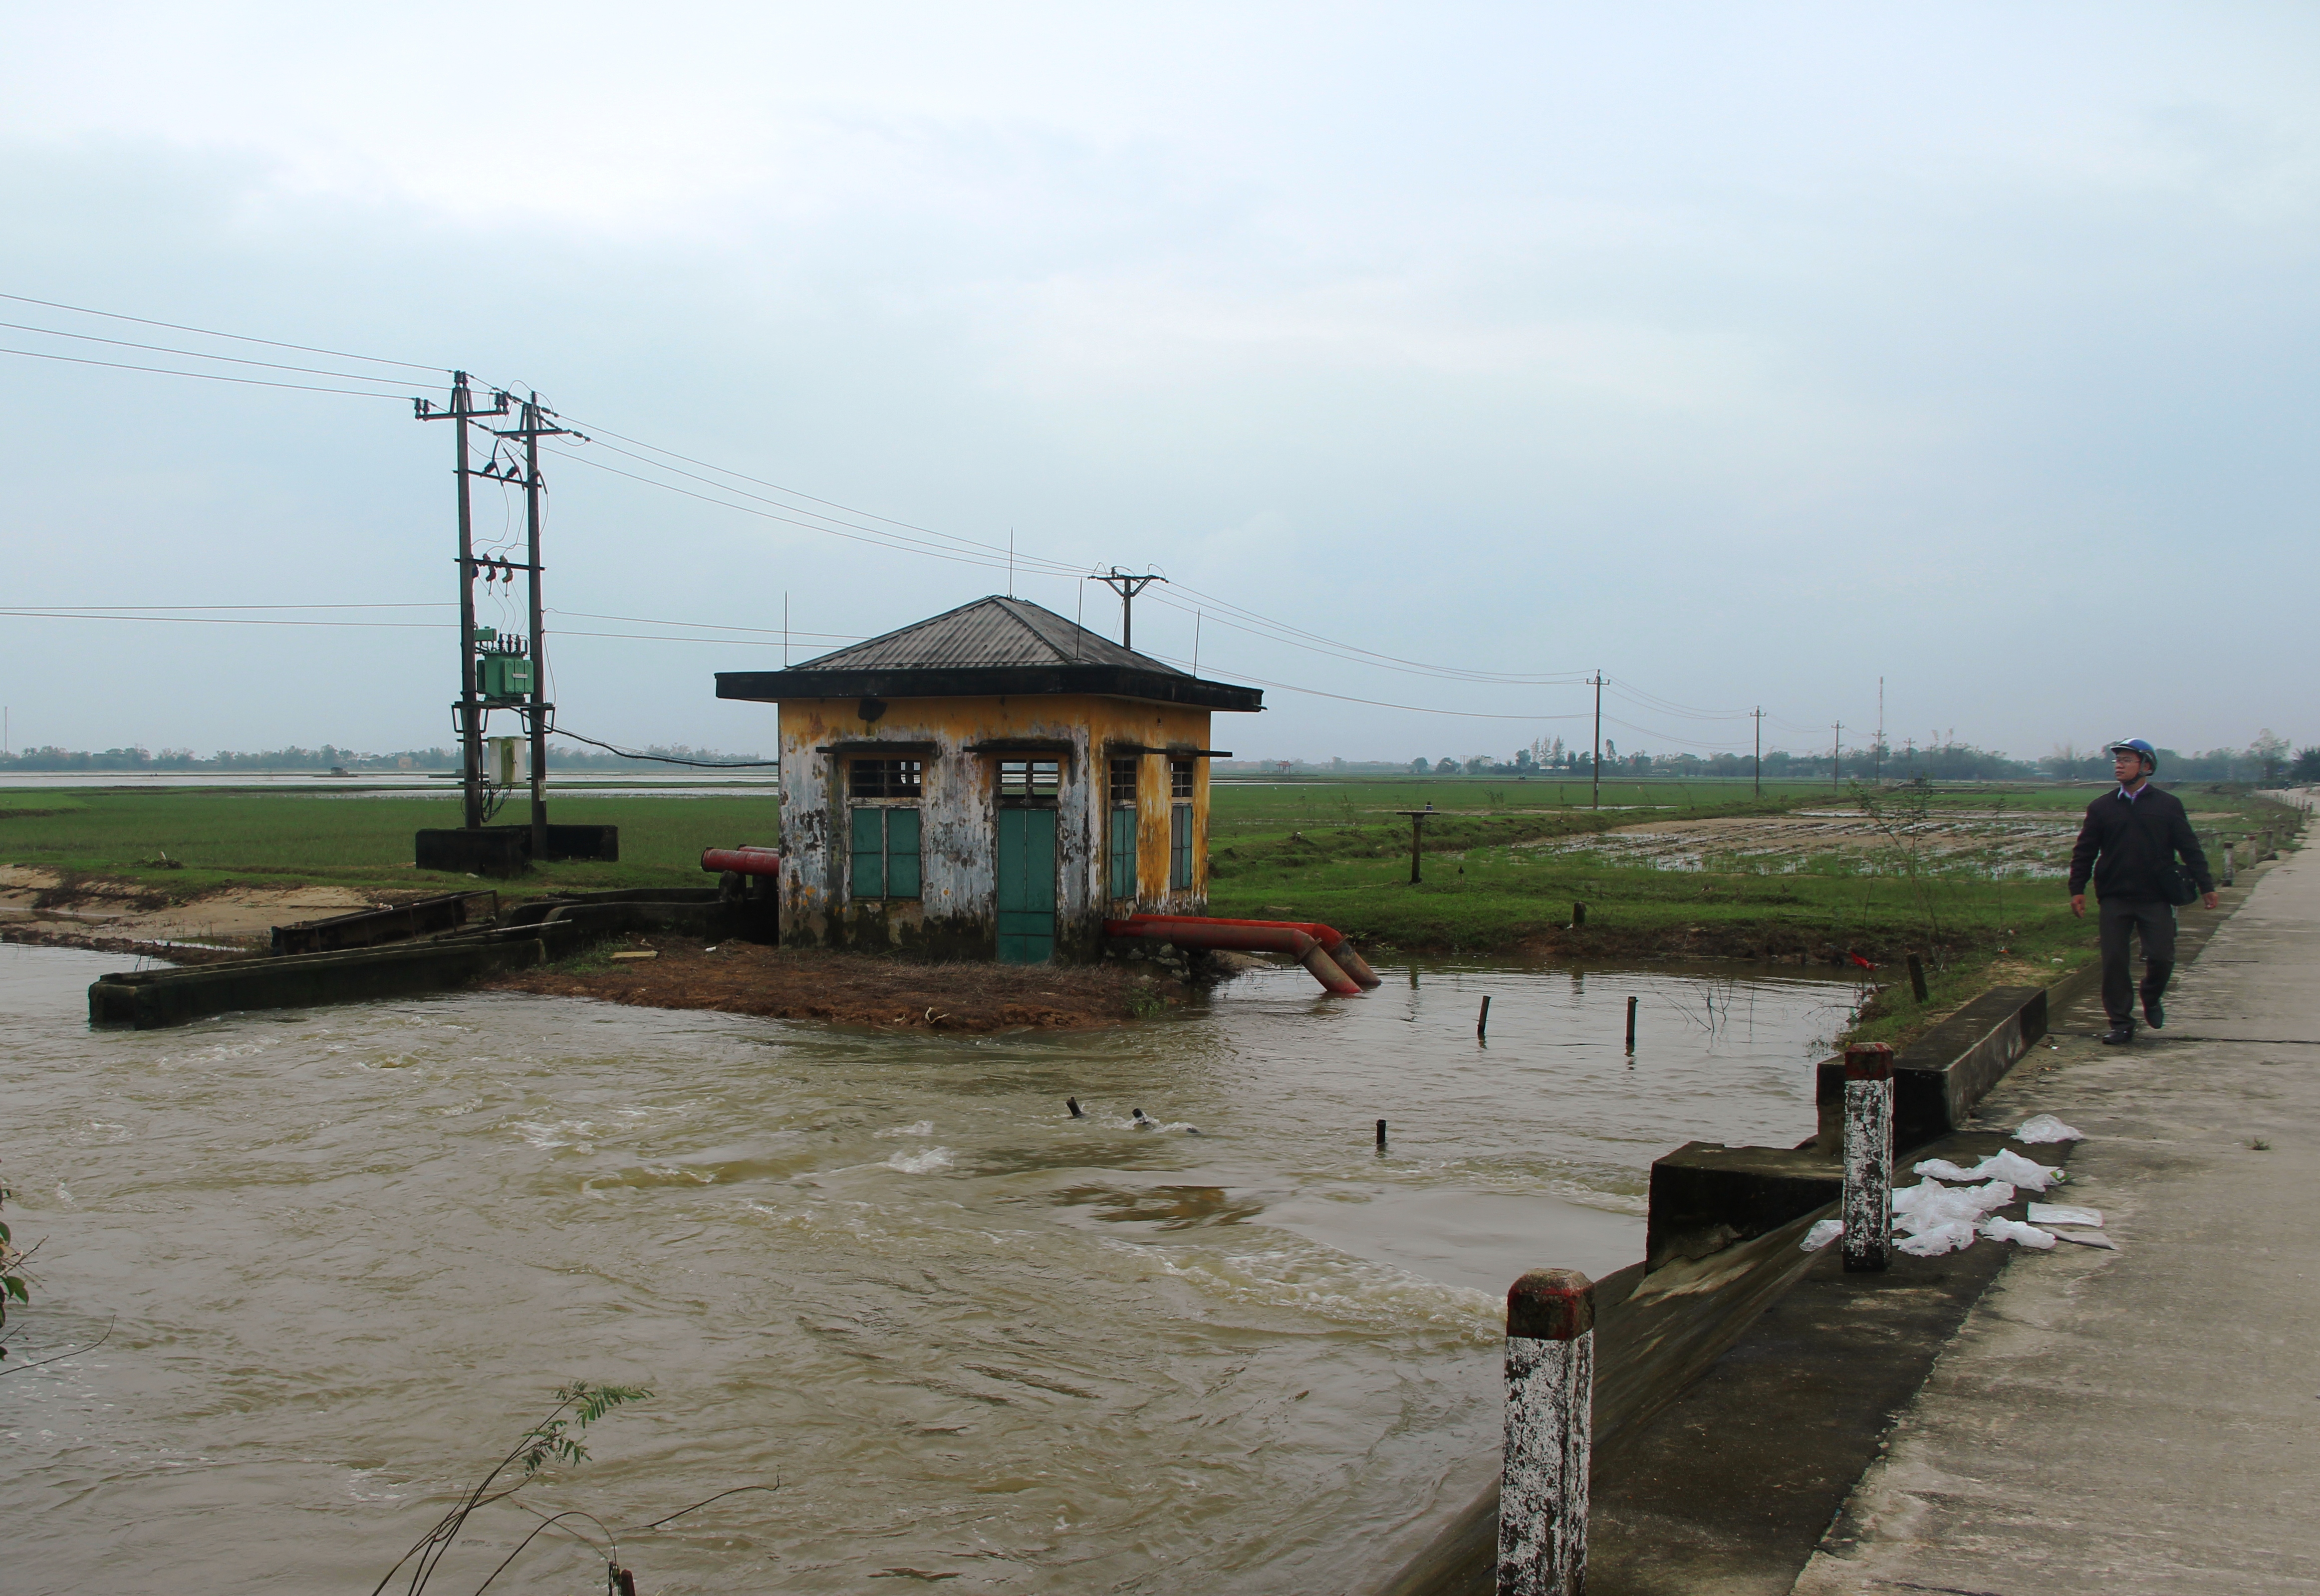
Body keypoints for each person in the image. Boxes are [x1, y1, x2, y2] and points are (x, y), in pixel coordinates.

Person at [2068, 738, 2218, 1045]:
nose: (2119, 765)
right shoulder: (2102, 807)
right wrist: (2077, 888)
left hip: (2156, 898)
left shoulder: (2167, 806)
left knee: (2162, 957)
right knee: (2114, 963)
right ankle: (2121, 1022)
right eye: (2117, 761)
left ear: (2146, 766)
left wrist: (2206, 886)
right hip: (2115, 897)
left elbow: (2189, 848)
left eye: (2127, 760)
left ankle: (2151, 995)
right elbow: (2085, 851)